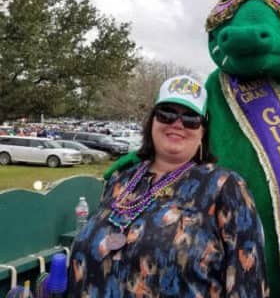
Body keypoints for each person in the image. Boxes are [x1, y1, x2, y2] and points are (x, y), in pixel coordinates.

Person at [68, 74, 269, 297]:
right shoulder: (120, 179)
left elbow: (248, 283)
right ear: (152, 121)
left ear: (202, 131)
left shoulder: (225, 187)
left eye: (191, 118)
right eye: (167, 113)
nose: (177, 123)